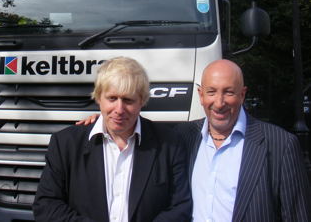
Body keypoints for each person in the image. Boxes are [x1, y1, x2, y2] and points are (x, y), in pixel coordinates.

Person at [78, 59, 311, 221]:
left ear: (242, 95)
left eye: (229, 92)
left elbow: (298, 215)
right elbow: (130, 121)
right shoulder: (181, 137)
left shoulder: (280, 145)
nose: (219, 103)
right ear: (200, 95)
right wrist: (103, 121)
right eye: (211, 92)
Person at [32, 57, 192, 222]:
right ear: (99, 98)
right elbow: (46, 206)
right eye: (112, 98)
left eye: (128, 100)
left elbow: (180, 207)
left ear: (142, 101)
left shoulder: (169, 144)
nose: (119, 109)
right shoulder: (66, 144)